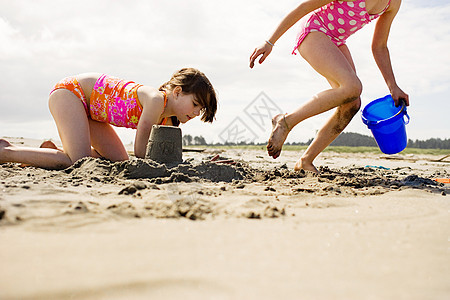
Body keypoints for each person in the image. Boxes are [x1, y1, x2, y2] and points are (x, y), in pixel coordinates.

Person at [249, 0, 409, 173]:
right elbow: (304, 7)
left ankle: (305, 161)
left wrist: (393, 86)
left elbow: (379, 46)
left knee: (352, 103)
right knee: (353, 86)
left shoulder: (393, 3)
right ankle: (286, 121)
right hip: (315, 30)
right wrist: (270, 42)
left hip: (336, 40)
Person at [0, 68, 217, 169]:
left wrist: (199, 163)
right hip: (71, 94)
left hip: (93, 114)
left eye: (202, 109)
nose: (197, 113)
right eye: (196, 104)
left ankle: (51, 152)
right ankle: (5, 151)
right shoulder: (154, 100)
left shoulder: (167, 120)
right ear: (177, 92)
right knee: (78, 161)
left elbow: (165, 155)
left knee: (118, 162)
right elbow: (142, 153)